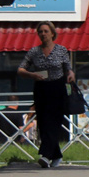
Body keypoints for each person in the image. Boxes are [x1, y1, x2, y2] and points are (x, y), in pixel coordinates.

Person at [18, 21, 74, 168]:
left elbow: (68, 68)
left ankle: (46, 155)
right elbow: (21, 70)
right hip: (41, 89)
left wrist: (71, 74)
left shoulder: (61, 50)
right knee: (43, 123)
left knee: (54, 123)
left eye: (46, 31)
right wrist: (32, 75)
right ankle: (56, 155)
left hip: (57, 88)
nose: (43, 34)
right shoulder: (34, 52)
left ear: (52, 33)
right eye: (41, 31)